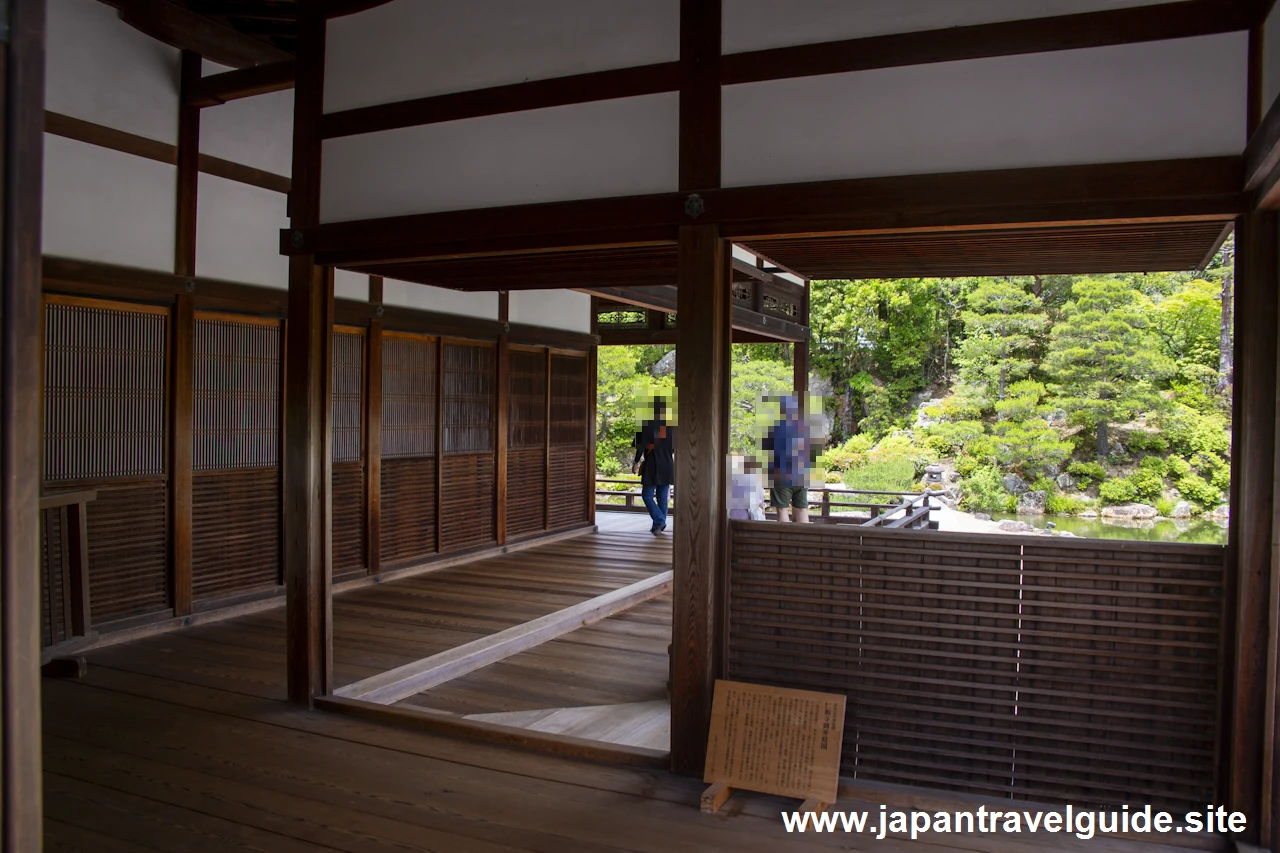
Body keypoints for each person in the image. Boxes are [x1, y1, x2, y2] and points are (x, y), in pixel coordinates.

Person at [763, 395, 810, 523]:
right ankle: (804, 541)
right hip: (801, 473)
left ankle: (785, 541)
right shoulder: (803, 427)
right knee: (802, 509)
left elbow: (766, 450)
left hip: (781, 473)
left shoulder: (774, 427)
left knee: (782, 509)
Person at [632, 399, 676, 534]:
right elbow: (674, 448)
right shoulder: (672, 426)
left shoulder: (645, 425)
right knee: (662, 497)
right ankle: (658, 525)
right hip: (667, 465)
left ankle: (659, 521)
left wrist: (636, 462)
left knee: (647, 495)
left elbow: (640, 447)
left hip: (652, 465)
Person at [727, 455, 766, 521]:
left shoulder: (732, 479)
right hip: (747, 519)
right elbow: (760, 501)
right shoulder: (754, 481)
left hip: (730, 518)